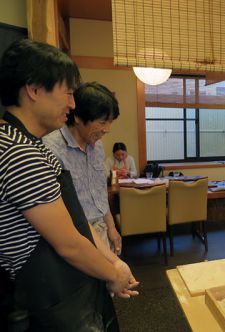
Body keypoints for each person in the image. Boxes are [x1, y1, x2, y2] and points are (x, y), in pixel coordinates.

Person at [0, 39, 137, 331]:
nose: (72, 104)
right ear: (34, 90)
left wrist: (111, 260)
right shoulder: (19, 152)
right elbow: (69, 244)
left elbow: (77, 225)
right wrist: (112, 272)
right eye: (68, 93)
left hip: (63, 280)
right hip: (44, 295)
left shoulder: (28, 144)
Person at [44, 82, 122, 254]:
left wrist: (111, 227)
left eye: (110, 122)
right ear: (78, 117)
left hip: (101, 228)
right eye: (102, 122)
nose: (107, 129)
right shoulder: (52, 148)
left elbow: (100, 190)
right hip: (74, 237)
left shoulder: (97, 146)